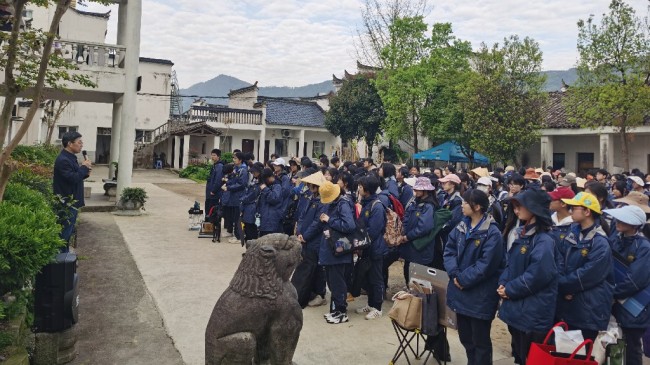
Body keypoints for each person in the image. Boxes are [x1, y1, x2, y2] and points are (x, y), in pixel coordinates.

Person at [444, 189, 505, 365]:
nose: (462, 205)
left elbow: (486, 265)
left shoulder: (492, 233)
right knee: (466, 338)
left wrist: (463, 279)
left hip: (480, 295)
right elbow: (449, 250)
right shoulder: (462, 226)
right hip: (460, 291)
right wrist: (455, 274)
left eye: (466, 202)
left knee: (480, 341)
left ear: (477, 207)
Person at [498, 188, 558, 365]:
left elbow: (538, 274)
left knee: (531, 357)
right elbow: (510, 264)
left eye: (520, 206)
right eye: (514, 207)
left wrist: (510, 289)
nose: (516, 211)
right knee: (520, 354)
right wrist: (503, 282)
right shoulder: (521, 234)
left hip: (533, 311)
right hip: (517, 306)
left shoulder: (544, 240)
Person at [556, 192, 614, 341]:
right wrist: (563, 284)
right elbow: (559, 258)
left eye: (574, 207)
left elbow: (589, 274)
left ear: (587, 211)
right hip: (568, 303)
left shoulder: (600, 242)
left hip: (588, 307)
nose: (570, 210)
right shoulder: (571, 233)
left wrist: (565, 286)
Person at [603, 205, 650, 365]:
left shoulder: (644, 247)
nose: (618, 221)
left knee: (631, 347)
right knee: (613, 344)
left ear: (635, 224)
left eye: (624, 219)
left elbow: (635, 280)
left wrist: (611, 292)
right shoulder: (615, 239)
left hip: (633, 306)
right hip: (614, 301)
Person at [319, 181, 356, 324]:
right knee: (332, 281)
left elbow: (349, 225)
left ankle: (341, 311)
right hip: (332, 248)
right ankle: (335, 310)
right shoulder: (335, 203)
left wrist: (330, 220)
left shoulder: (343, 204)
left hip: (339, 248)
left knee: (337, 282)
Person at [354, 175, 387, 320]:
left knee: (376, 278)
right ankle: (370, 304)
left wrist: (360, 242)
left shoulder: (377, 206)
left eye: (361, 186)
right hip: (365, 247)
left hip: (375, 248)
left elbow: (373, 230)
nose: (359, 188)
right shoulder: (366, 202)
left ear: (367, 189)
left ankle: (378, 307)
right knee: (366, 277)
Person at [293, 171, 327, 308]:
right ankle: (310, 293)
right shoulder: (310, 197)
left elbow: (318, 223)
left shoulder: (323, 201)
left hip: (315, 240)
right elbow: (302, 216)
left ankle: (320, 293)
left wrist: (305, 236)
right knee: (307, 266)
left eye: (310, 185)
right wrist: (299, 232)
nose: (307, 186)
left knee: (317, 267)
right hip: (305, 238)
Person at [53, 131, 92, 251]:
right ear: (70, 143)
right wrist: (84, 167)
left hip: (72, 202)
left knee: (68, 233)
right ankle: (61, 262)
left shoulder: (70, 158)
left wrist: (85, 173)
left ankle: (64, 260)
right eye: (79, 142)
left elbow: (74, 177)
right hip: (67, 203)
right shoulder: (63, 160)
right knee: (64, 234)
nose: (81, 145)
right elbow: (72, 178)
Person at [398, 177, 437, 283]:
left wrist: (408, 236)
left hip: (420, 249)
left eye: (418, 189)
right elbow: (406, 218)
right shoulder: (415, 202)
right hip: (409, 247)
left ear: (425, 191)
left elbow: (424, 227)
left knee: (418, 280)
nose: (415, 191)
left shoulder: (428, 206)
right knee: (408, 273)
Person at [224, 152, 248, 242]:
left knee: (238, 217)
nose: (233, 160)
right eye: (233, 158)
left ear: (240, 160)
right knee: (235, 216)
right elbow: (233, 180)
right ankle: (235, 234)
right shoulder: (236, 168)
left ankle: (239, 237)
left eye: (235, 158)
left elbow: (242, 184)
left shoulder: (243, 170)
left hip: (240, 196)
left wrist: (229, 187)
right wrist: (227, 183)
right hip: (234, 196)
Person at [257, 168, 283, 236]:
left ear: (270, 177)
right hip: (264, 221)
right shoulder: (267, 186)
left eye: (265, 179)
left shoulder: (277, 186)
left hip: (272, 223)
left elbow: (274, 199)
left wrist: (265, 189)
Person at [205, 149, 223, 219]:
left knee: (212, 210)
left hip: (214, 193)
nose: (212, 157)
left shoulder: (219, 166)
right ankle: (208, 223)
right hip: (210, 192)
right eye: (212, 155)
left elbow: (218, 180)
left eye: (214, 155)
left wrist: (214, 191)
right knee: (208, 209)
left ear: (218, 156)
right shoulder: (214, 165)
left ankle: (212, 225)